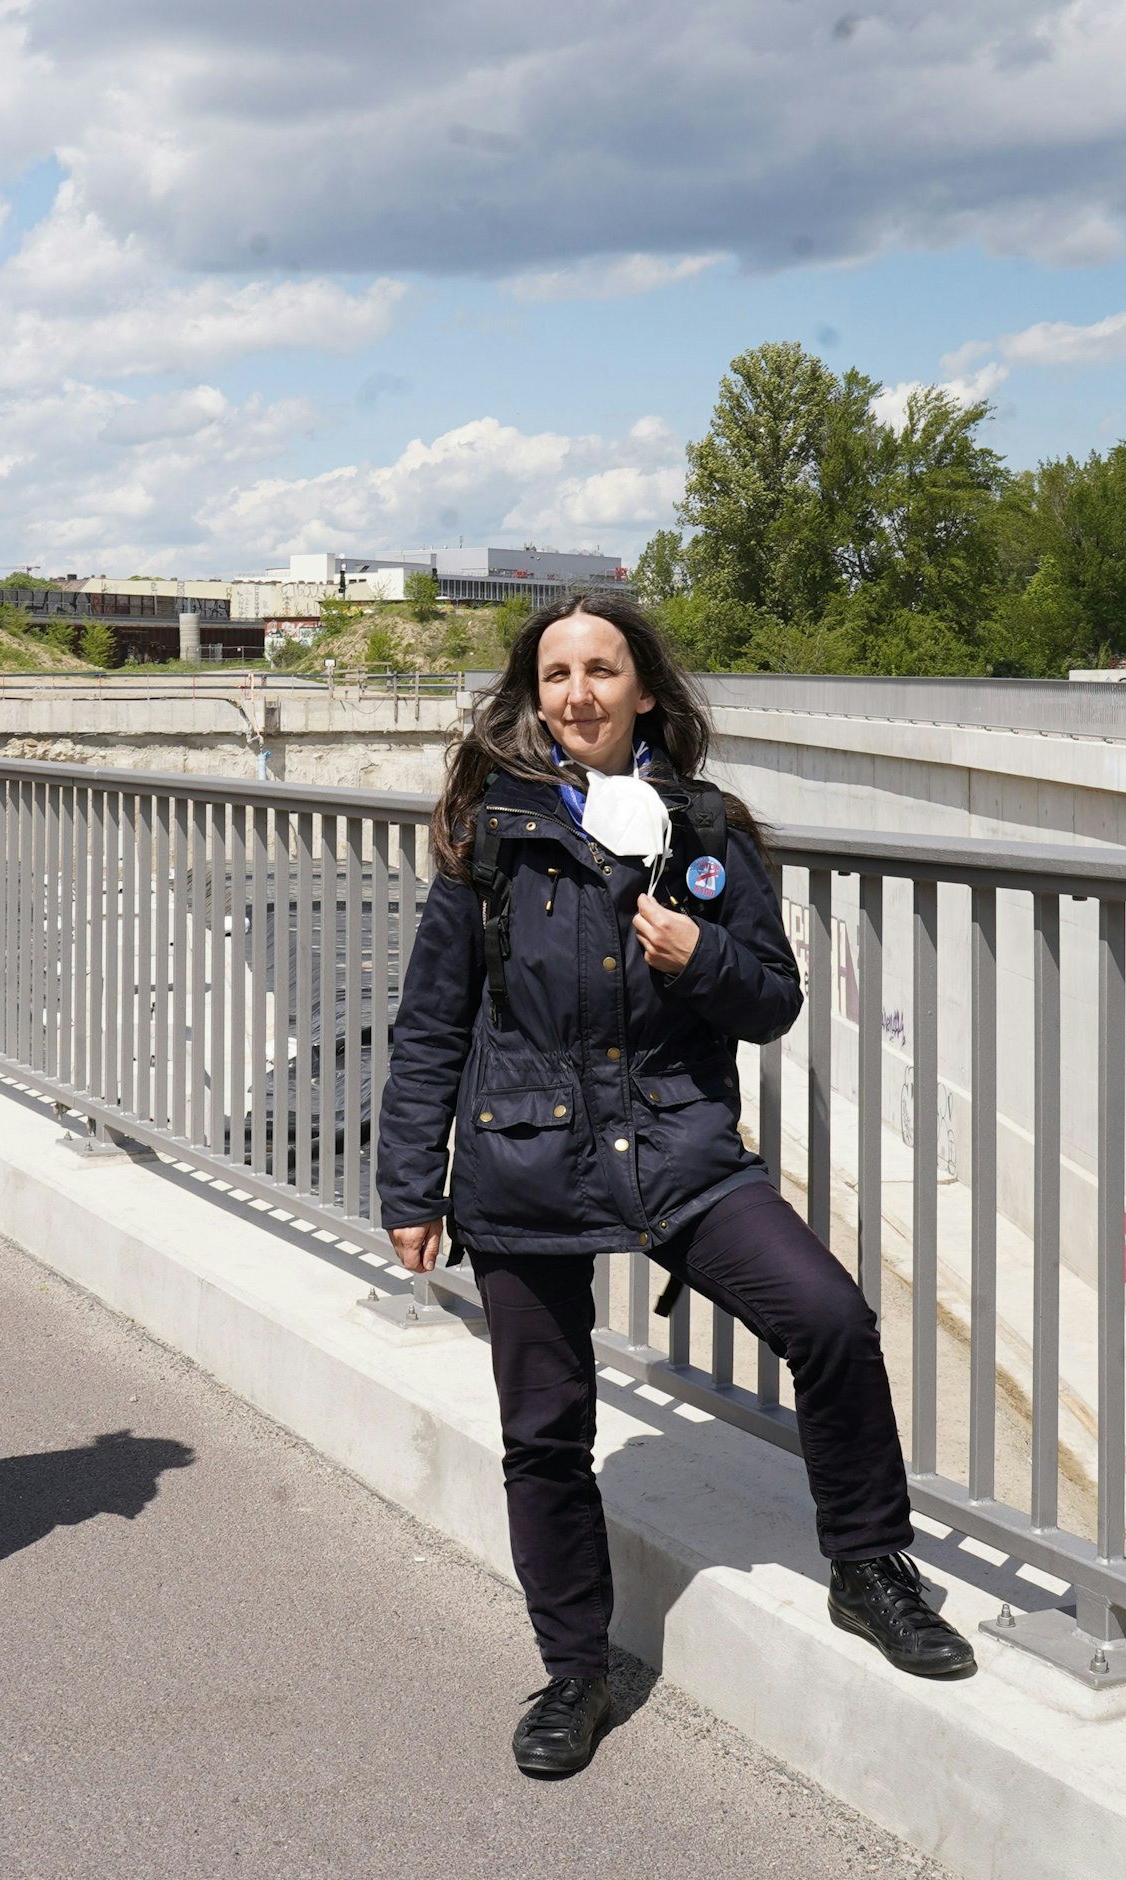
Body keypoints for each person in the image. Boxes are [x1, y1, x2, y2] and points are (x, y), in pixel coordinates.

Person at [377, 593, 972, 1777]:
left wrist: (697, 955)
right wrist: (410, 1182)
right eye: (556, 674)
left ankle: (866, 1567)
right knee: (544, 1429)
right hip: (525, 1154)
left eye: (601, 669)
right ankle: (572, 1671)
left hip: (675, 1144)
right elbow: (430, 1022)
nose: (578, 693)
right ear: (532, 691)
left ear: (642, 689)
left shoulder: (700, 826)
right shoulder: (483, 827)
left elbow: (771, 996)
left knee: (831, 1317)